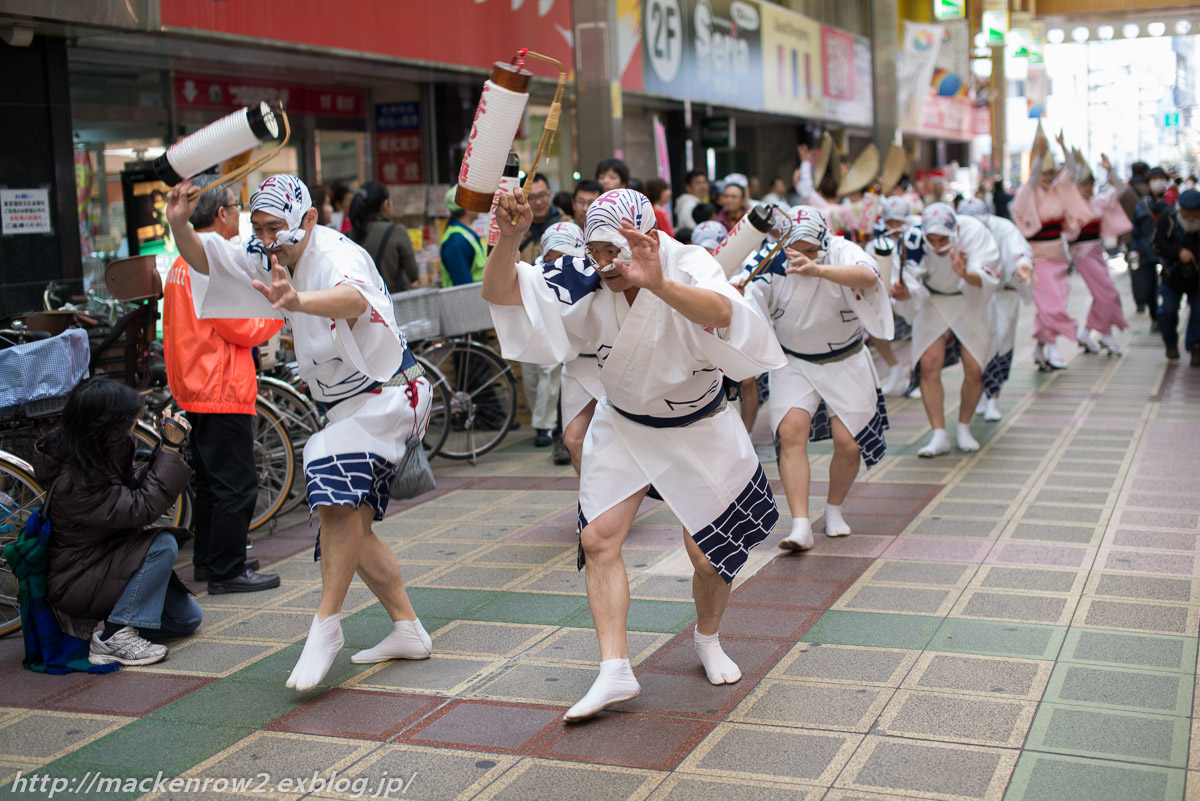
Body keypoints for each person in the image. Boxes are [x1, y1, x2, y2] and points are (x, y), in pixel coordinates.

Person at [483, 187, 785, 721]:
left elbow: (724, 312)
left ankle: (708, 638)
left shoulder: (685, 260)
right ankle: (614, 669)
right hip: (622, 421)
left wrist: (661, 284)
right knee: (597, 538)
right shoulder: (586, 270)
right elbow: (503, 292)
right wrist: (509, 239)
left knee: (707, 556)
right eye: (595, 251)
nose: (604, 264)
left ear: (647, 235)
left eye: (613, 251)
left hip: (699, 424)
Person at [166, 174, 435, 692]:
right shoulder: (266, 249)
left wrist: (298, 301)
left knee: (332, 491)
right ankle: (408, 629)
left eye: (276, 229)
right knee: (351, 525)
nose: (267, 239)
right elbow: (208, 263)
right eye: (259, 227)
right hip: (345, 406)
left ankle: (325, 628)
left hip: (388, 395)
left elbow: (355, 301)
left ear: (309, 219)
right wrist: (180, 225)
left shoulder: (337, 253)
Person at [742, 207, 892, 550]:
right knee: (791, 430)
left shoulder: (840, 252)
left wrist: (819, 268)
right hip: (794, 361)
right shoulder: (767, 262)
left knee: (848, 443)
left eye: (812, 249)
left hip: (846, 358)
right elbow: (745, 301)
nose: (803, 257)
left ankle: (834, 508)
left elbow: (870, 277)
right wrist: (736, 291)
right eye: (796, 250)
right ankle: (799, 525)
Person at [163, 173, 283, 593]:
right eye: (236, 208)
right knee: (236, 483)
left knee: (212, 484)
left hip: (194, 385)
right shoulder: (207, 261)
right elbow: (237, 326)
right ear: (221, 214)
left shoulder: (182, 262)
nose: (240, 216)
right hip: (220, 385)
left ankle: (210, 561)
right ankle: (228, 570)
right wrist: (278, 316)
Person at [32, 377, 201, 666]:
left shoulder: (94, 452)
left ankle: (98, 624)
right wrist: (170, 452)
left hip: (104, 561)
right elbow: (141, 508)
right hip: (76, 578)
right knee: (162, 544)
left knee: (186, 618)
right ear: (106, 426)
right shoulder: (75, 480)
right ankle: (113, 637)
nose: (134, 425)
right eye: (129, 420)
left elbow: (130, 488)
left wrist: (165, 448)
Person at [892, 203, 1001, 456]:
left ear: (956, 230)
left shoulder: (973, 231)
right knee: (929, 363)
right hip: (934, 300)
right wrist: (903, 291)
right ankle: (938, 433)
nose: (938, 246)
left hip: (970, 299)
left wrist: (965, 273)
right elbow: (908, 281)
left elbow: (988, 276)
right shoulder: (912, 238)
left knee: (974, 368)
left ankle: (963, 426)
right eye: (933, 240)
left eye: (944, 240)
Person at [1010, 131, 1093, 370]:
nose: (1048, 176)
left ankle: (1041, 348)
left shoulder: (1059, 191)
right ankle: (1054, 346)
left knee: (1054, 303)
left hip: (1059, 255)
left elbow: (1074, 173)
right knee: (1052, 304)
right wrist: (1041, 155)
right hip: (1038, 256)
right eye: (1044, 172)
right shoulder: (1030, 191)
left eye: (1051, 172)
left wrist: (1063, 147)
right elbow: (1033, 178)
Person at [956, 198, 1034, 422]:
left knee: (1000, 342)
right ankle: (979, 393)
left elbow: (1019, 249)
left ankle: (993, 399)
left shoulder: (1002, 228)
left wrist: (1023, 265)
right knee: (976, 345)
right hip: (973, 294)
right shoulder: (957, 233)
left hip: (1002, 293)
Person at [539, 221, 596, 469]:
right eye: (549, 258)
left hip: (613, 363)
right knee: (574, 440)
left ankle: (608, 501)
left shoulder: (602, 275)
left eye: (563, 257)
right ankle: (593, 503)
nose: (556, 264)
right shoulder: (540, 279)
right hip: (575, 366)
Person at [1062, 151, 1131, 354]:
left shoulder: (1098, 201)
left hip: (1097, 252)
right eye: (1084, 184)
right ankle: (1106, 334)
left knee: (1101, 294)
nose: (1088, 188)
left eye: (1090, 184)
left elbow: (1119, 189)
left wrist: (1110, 169)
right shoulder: (1072, 205)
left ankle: (1087, 334)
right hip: (1082, 255)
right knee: (1108, 293)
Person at [346, 182, 419, 293]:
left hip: (362, 306)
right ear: (385, 204)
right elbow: (413, 274)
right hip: (393, 303)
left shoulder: (347, 237)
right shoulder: (396, 231)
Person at [1154, 188, 1200, 363]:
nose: (1190, 217)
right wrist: (1178, 252)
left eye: (1194, 214)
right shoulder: (1169, 218)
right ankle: (1171, 343)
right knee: (1168, 311)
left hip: (1196, 278)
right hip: (1172, 275)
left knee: (1198, 312)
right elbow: (1157, 244)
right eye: (1186, 213)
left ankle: (1196, 346)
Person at [1131, 167, 1171, 330]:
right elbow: (1136, 230)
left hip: (1168, 253)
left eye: (1162, 178)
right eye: (1155, 179)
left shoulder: (1171, 204)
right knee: (1148, 289)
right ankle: (1155, 317)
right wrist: (1134, 249)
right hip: (1146, 252)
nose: (1158, 182)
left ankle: (1164, 318)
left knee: (1167, 290)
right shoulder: (1142, 204)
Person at [440, 185, 486, 286]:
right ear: (466, 208)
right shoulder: (456, 241)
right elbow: (463, 287)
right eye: (475, 200)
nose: (479, 203)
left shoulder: (464, 234)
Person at [518, 174, 563, 264]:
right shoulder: (516, 230)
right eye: (531, 197)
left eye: (542, 195)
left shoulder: (565, 225)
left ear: (550, 194)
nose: (538, 202)